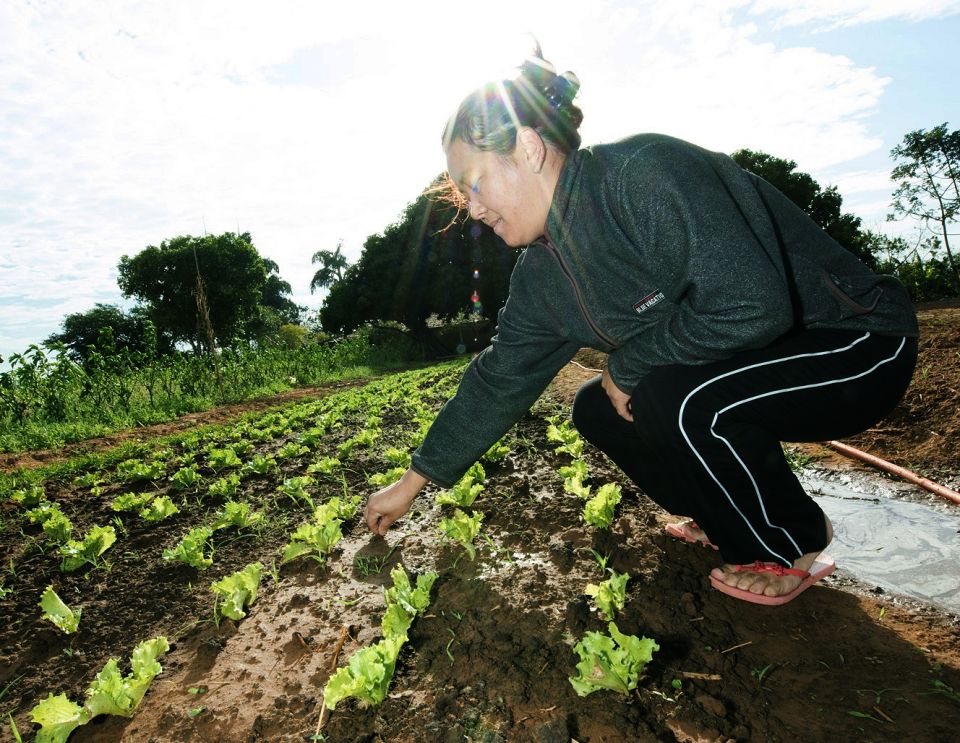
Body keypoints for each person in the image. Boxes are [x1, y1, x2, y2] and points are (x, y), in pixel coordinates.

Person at [364, 47, 919, 606]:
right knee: (597, 407)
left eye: (475, 183)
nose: (472, 207)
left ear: (528, 149)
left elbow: (754, 304)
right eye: (461, 193)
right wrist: (412, 483)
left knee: (675, 398)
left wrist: (628, 364)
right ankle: (725, 518)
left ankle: (789, 540)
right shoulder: (541, 275)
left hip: (854, 340)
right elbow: (498, 378)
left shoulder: (642, 175)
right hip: (761, 358)